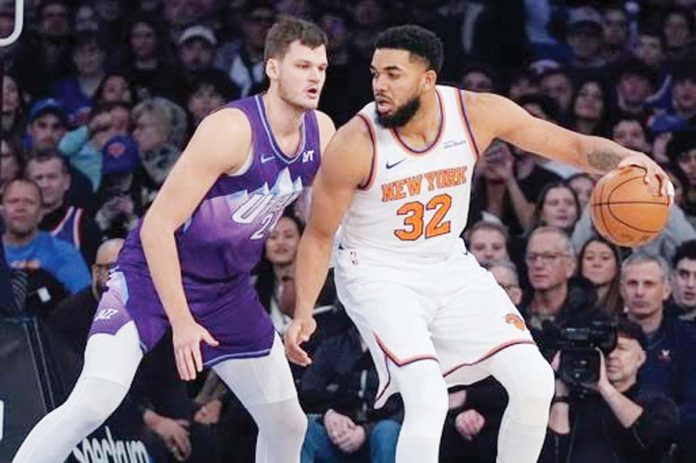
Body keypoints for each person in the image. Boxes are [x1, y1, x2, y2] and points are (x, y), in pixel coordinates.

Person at [286, 25, 671, 463]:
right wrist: (302, 312)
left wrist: (627, 158)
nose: (380, 86)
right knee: (427, 396)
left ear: (428, 80)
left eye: (393, 74)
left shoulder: (475, 113)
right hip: (378, 272)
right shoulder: (355, 142)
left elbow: (567, 144)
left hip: (447, 262)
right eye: (376, 74)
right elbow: (318, 237)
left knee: (534, 381)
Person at [12, 16, 334, 463]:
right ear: (273, 68)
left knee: (288, 422)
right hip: (151, 275)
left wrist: (302, 313)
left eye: (321, 67)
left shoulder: (322, 130)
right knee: (92, 403)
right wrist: (182, 324)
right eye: (303, 66)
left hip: (226, 290)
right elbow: (158, 226)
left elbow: (318, 229)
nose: (315, 76)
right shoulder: (231, 129)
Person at [539, 317, 679, 463]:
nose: (611, 355)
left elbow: (653, 442)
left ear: (640, 358)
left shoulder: (657, 404)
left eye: (621, 348)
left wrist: (604, 387)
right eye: (605, 349)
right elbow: (551, 455)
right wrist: (561, 392)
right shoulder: (578, 401)